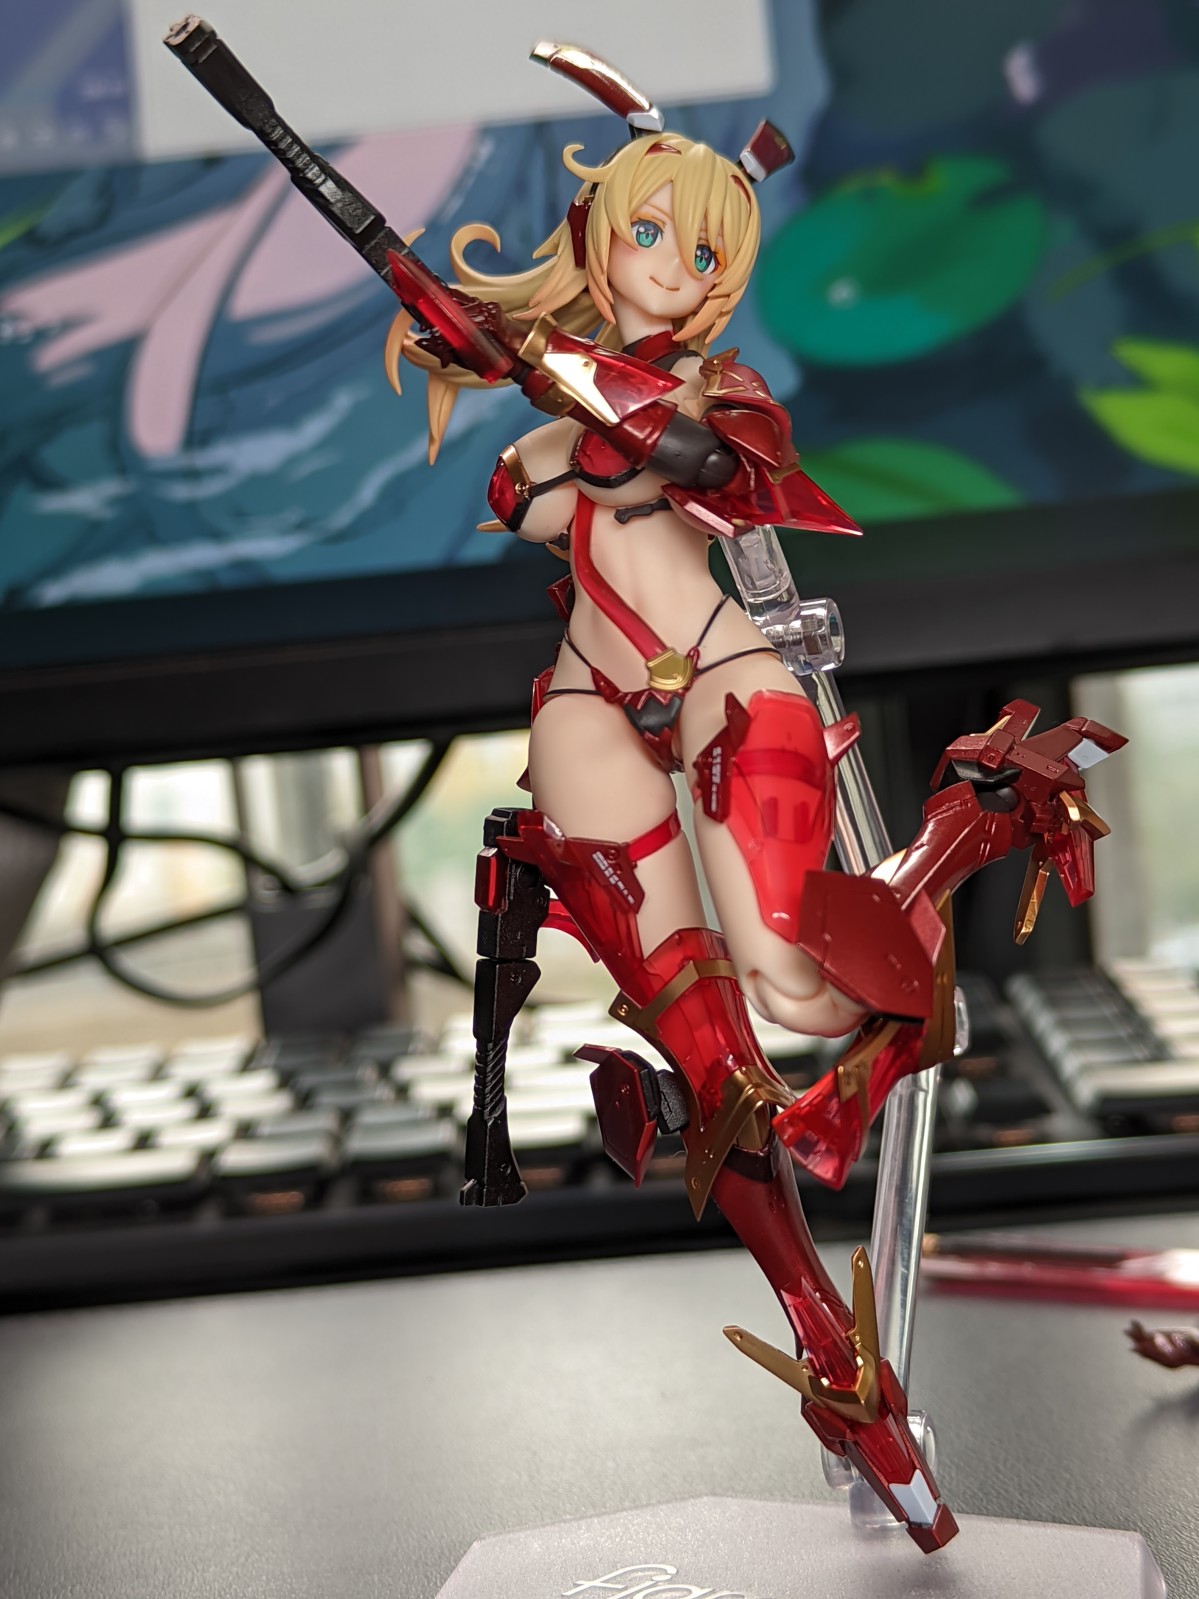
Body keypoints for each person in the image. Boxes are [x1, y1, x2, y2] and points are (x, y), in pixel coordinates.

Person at [384, 47, 1120, 1555]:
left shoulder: (729, 401)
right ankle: (836, 1359)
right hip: (590, 712)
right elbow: (529, 490)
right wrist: (506, 358)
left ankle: (965, 820)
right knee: (709, 1062)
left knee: (799, 987)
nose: (675, 266)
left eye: (705, 250)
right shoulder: (551, 424)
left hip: (728, 682)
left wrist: (567, 380)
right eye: (649, 232)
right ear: (598, 237)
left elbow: (692, 460)